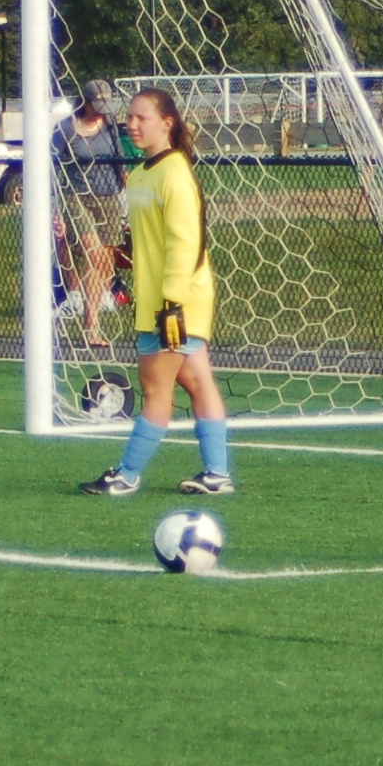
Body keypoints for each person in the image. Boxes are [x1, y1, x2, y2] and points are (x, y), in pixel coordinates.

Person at [79, 89, 232, 498]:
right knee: (198, 382)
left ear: (167, 123)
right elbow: (143, 244)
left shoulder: (175, 172)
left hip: (175, 304)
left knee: (154, 389)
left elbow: (186, 243)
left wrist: (172, 303)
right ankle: (218, 473)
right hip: (157, 301)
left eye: (141, 118)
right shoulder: (140, 175)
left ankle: (127, 475)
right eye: (129, 117)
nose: (131, 124)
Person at [54, 78, 130, 344]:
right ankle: (91, 327)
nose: (101, 111)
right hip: (77, 197)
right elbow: (52, 166)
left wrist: (127, 189)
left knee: (102, 258)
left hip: (108, 197)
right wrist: (56, 208)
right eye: (97, 105)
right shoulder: (65, 128)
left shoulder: (110, 125)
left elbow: (120, 162)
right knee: (92, 251)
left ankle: (92, 315)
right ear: (84, 102)